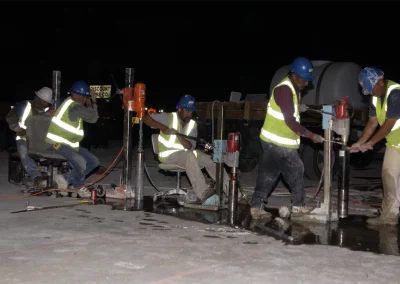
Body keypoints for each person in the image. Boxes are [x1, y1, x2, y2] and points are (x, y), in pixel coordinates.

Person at [250, 57, 324, 219]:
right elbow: (290, 121)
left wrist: (299, 108)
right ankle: (298, 205)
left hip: (275, 140)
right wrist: (310, 135)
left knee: (270, 174)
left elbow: (288, 111)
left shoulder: (292, 88)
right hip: (278, 141)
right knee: (296, 169)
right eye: (305, 80)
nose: (307, 84)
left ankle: (257, 206)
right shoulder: (284, 89)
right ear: (295, 75)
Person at [143, 94, 231, 205]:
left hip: (186, 154)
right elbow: (145, 118)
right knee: (189, 156)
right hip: (168, 156)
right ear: (179, 109)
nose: (190, 114)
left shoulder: (193, 124)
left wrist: (178, 136)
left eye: (191, 111)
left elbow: (190, 146)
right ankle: (203, 193)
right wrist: (164, 128)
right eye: (187, 110)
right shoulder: (168, 117)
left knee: (211, 160)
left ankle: (232, 192)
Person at [349, 67, 400, 225]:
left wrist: (371, 143)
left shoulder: (395, 93)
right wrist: (360, 142)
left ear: (381, 82)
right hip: (396, 143)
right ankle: (389, 216)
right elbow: (372, 122)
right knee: (389, 176)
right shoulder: (375, 97)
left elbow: (388, 123)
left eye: (371, 89)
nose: (370, 93)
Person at [45, 80, 100, 198]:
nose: (83, 99)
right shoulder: (74, 107)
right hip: (57, 144)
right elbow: (94, 118)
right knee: (81, 162)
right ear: (73, 94)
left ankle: (67, 180)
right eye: (81, 96)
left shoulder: (71, 104)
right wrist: (93, 101)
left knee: (94, 162)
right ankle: (75, 185)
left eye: (84, 97)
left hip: (69, 144)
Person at [6, 86, 54, 188]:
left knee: (50, 152)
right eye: (44, 101)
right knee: (24, 153)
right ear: (39, 98)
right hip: (24, 137)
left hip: (39, 140)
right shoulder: (26, 105)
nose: (46, 104)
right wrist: (17, 128)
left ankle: (48, 175)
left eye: (47, 102)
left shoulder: (48, 110)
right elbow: (10, 116)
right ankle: (36, 177)